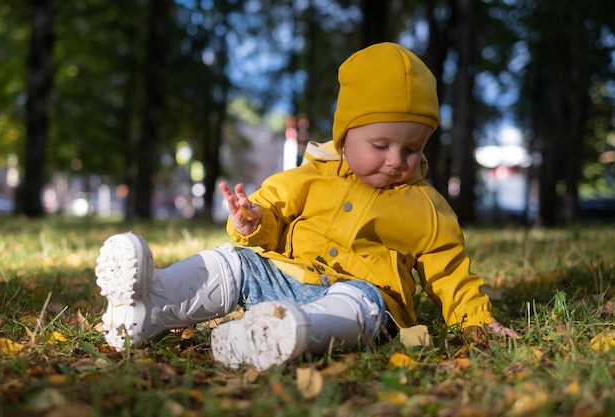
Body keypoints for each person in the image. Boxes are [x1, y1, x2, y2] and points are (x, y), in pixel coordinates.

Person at [95, 42, 517, 371]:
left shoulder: (426, 207)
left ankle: (285, 332)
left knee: (358, 301)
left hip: (366, 301)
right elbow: (271, 214)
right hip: (286, 277)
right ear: (344, 135)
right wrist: (252, 222)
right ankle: (149, 304)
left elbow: (448, 269)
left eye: (412, 148)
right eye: (380, 145)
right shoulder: (308, 177)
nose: (396, 160)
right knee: (234, 262)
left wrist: (475, 318)